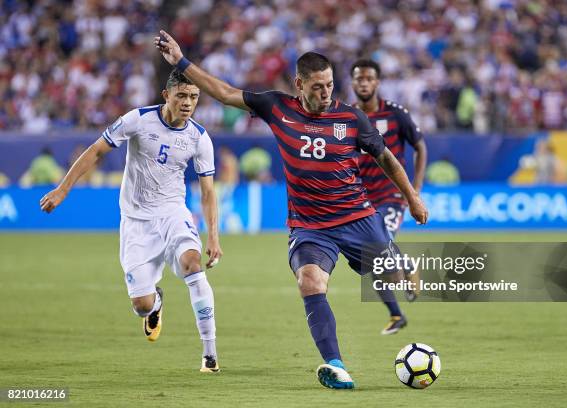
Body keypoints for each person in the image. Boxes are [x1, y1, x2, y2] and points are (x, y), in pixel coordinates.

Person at [155, 30, 428, 390]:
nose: (326, 93)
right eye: (317, 86)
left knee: (390, 277)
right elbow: (223, 92)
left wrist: (411, 197)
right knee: (309, 281)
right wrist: (181, 62)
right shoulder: (276, 106)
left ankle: (401, 263)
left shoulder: (351, 119)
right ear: (299, 84)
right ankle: (336, 365)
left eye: (330, 85)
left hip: (359, 218)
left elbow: (386, 159)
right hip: (310, 227)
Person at [39, 69, 223, 373]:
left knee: (192, 264)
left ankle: (210, 355)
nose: (188, 103)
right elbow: (96, 150)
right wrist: (63, 189)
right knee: (142, 306)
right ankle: (156, 304)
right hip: (136, 220)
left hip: (173, 213)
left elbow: (207, 192)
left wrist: (214, 237)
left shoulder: (199, 138)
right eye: (182, 96)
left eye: (193, 97)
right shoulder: (137, 120)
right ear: (167, 96)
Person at [351, 59, 428, 335]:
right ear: (352, 83)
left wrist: (413, 190)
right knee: (372, 257)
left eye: (368, 78)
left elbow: (420, 146)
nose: (363, 83)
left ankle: (407, 266)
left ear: (377, 82)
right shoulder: (348, 117)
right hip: (360, 199)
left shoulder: (395, 114)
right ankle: (396, 315)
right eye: (359, 79)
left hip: (391, 195)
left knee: (380, 245)